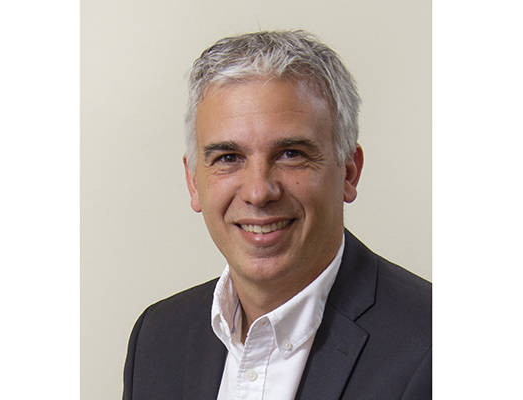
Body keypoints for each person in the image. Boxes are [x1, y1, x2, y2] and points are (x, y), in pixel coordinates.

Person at [123, 30, 431, 400]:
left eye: (291, 154)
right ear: (193, 182)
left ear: (349, 172)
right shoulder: (157, 338)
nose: (258, 192)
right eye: (228, 158)